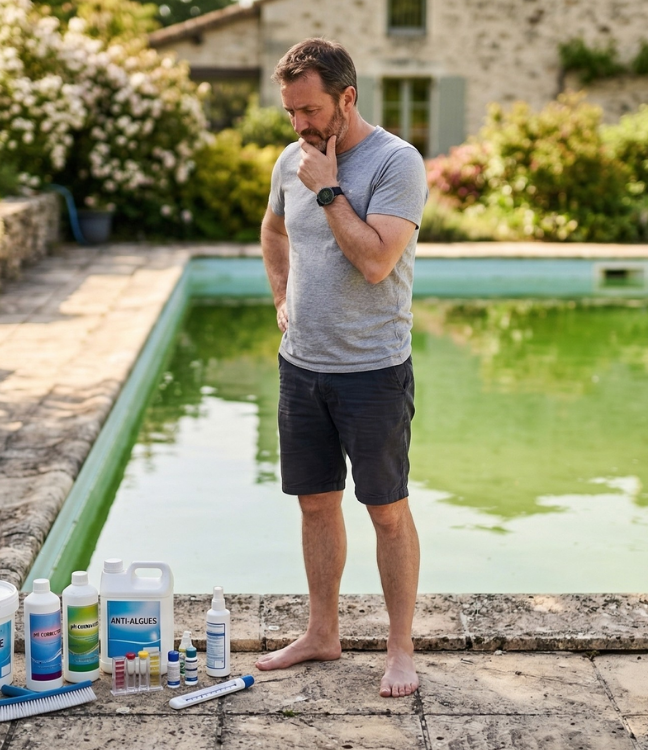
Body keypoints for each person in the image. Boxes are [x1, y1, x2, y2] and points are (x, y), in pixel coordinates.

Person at [252, 38, 428, 698]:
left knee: (387, 511)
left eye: (310, 108)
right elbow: (273, 232)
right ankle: (323, 633)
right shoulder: (288, 162)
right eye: (290, 111)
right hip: (301, 368)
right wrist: (280, 295)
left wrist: (328, 189)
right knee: (316, 506)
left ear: (347, 98)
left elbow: (377, 260)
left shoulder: (396, 163)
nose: (299, 124)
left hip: (373, 371)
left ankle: (400, 649)